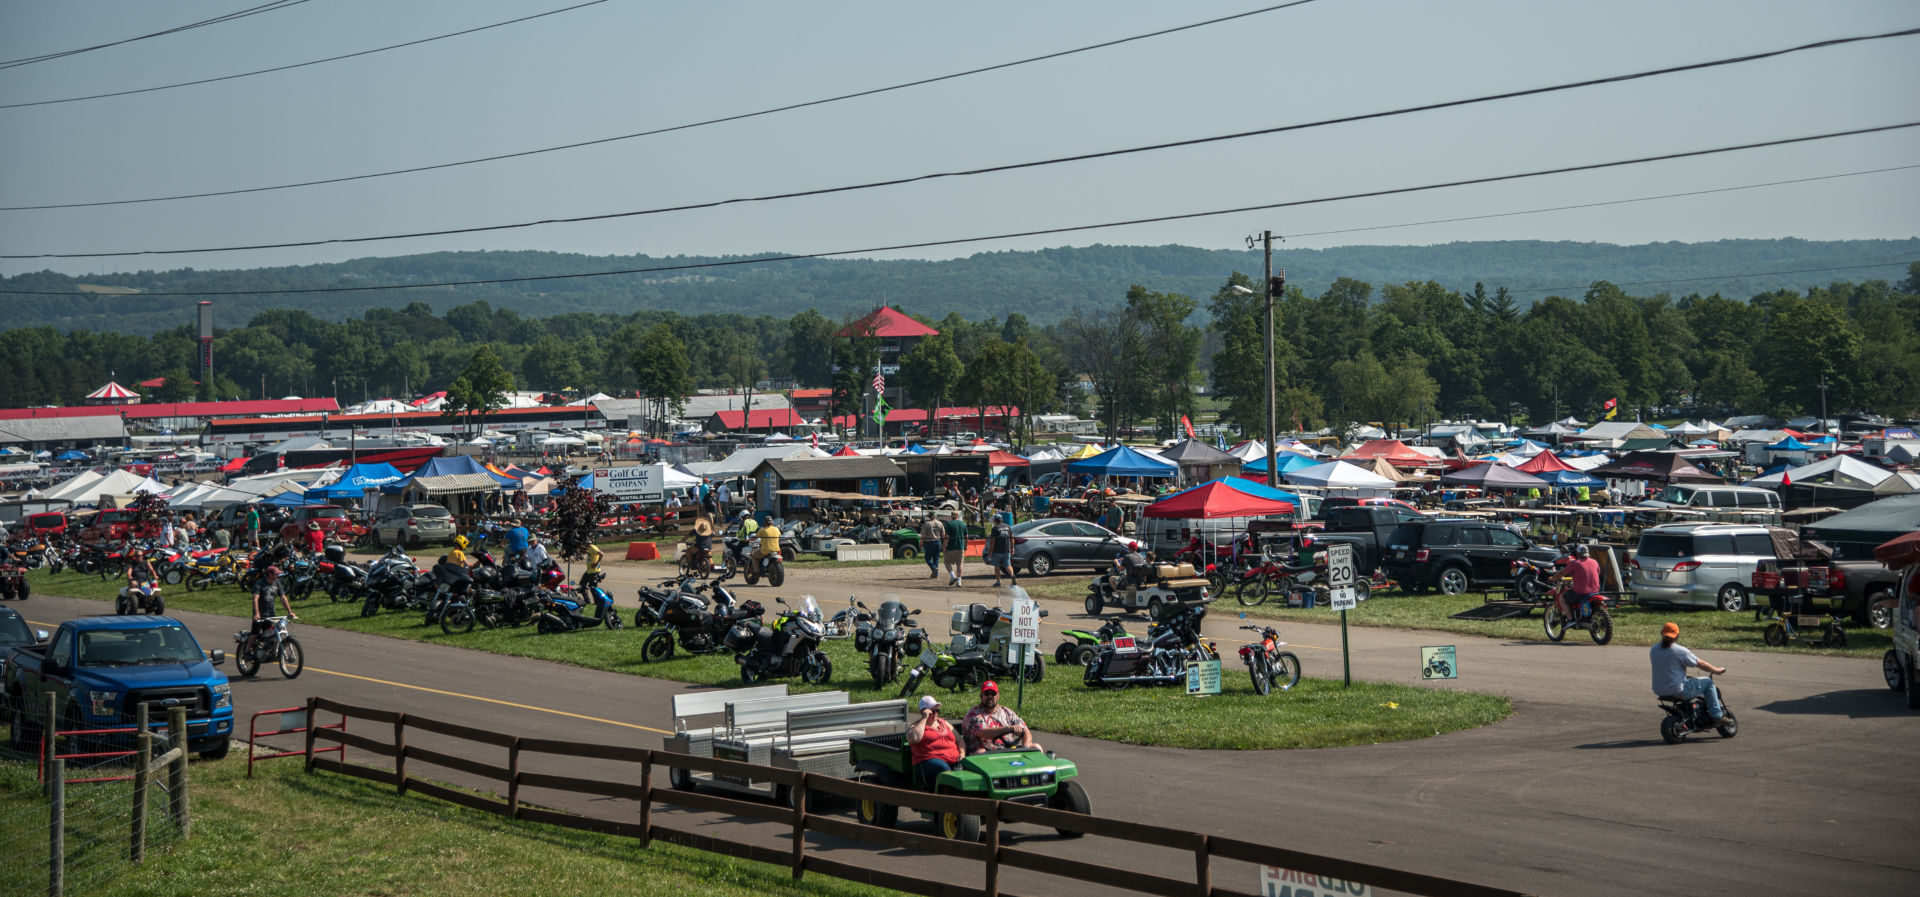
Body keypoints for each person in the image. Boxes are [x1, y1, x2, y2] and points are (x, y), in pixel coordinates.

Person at [1650, 621, 1727, 723]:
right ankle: (1717, 716)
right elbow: (1701, 664)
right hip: (1677, 690)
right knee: (1708, 682)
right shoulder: (1679, 651)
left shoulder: (1654, 649)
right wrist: (1717, 670)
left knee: (1689, 680)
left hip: (1659, 690)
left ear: (1662, 634)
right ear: (1677, 635)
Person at [962, 681, 1040, 754]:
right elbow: (983, 733)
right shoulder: (974, 713)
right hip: (986, 754)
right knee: (981, 752)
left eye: (993, 693)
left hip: (1009, 750)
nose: (990, 696)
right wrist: (1008, 728)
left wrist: (1025, 747)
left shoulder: (1007, 712)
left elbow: (1026, 731)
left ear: (998, 696)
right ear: (981, 696)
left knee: (1036, 747)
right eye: (986, 693)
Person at [907, 694, 963, 783]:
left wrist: (962, 754)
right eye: (932, 711)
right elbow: (914, 738)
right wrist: (924, 718)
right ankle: (946, 793)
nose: (935, 713)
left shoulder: (944, 723)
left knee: (970, 766)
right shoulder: (915, 726)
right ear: (923, 711)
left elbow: (960, 740)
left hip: (953, 760)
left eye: (937, 710)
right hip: (929, 761)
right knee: (943, 768)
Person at [245, 566, 297, 658]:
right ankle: (247, 651)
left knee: (272, 634)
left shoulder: (277, 582)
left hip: (271, 615)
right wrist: (257, 613)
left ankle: (269, 651)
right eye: (276, 574)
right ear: (270, 574)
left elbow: (283, 597)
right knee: (255, 633)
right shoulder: (259, 584)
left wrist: (290, 611)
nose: (278, 575)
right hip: (260, 615)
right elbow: (255, 599)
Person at [1557, 543, 1602, 622]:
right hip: (1595, 592)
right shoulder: (1595, 562)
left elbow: (1562, 573)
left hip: (1580, 593)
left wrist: (1553, 578)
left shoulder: (1575, 563)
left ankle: (1570, 619)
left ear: (1577, 554)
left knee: (1562, 598)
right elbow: (1597, 573)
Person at [942, 509, 968, 589]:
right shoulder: (963, 524)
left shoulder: (949, 524)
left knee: (947, 562)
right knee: (959, 564)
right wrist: (965, 546)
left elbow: (947, 537)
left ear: (951, 516)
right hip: (960, 547)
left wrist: (945, 545)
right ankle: (959, 581)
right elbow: (966, 537)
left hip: (950, 547)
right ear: (957, 516)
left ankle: (953, 576)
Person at [988, 514, 1016, 588]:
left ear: (995, 520)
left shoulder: (995, 528)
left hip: (997, 550)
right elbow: (1012, 537)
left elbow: (992, 541)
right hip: (1007, 550)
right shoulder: (1007, 526)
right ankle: (1012, 575)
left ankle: (998, 581)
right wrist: (1012, 547)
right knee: (1007, 565)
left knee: (997, 566)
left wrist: (990, 551)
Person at [919, 514, 944, 580]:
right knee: (936, 558)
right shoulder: (940, 523)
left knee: (927, 558)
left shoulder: (927, 524)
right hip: (938, 542)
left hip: (929, 542)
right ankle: (935, 574)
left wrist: (921, 544)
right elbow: (943, 534)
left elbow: (923, 536)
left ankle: (933, 568)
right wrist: (944, 543)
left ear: (929, 517)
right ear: (935, 516)